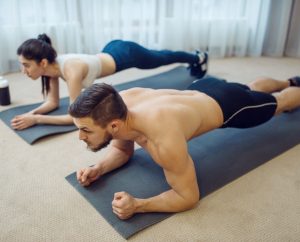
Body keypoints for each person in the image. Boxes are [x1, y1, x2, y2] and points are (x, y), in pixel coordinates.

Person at [68, 75, 300, 220]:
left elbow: (188, 197)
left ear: (115, 126)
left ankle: (291, 87)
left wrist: (138, 205)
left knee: (280, 103)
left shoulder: (162, 139)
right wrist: (98, 167)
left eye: (86, 130)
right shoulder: (118, 103)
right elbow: (122, 150)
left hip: (229, 106)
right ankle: (291, 81)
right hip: (203, 87)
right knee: (250, 88)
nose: (80, 137)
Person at [11, 33, 208, 130]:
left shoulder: (72, 70)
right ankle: (195, 57)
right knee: (161, 56)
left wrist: (36, 120)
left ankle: (197, 57)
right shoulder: (50, 69)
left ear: (42, 62)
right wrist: (30, 113)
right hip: (111, 51)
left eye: (26, 65)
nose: (23, 70)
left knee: (162, 58)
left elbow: (75, 118)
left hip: (127, 55)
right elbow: (53, 103)